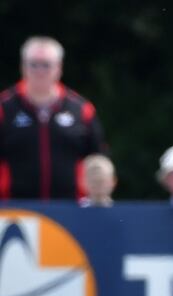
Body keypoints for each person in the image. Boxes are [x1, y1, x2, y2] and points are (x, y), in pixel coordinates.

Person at [0, 36, 106, 201]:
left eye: (46, 65)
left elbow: (98, 159)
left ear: (59, 67)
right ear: (22, 66)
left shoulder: (81, 109)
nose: (39, 71)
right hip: (14, 208)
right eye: (33, 64)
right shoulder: (4, 107)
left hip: (71, 208)